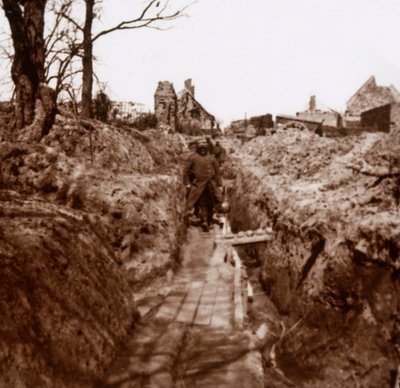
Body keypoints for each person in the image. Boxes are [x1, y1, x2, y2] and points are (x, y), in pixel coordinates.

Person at [183, 139, 222, 231]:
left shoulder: (212, 158)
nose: (202, 151)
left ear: (207, 148)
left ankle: (210, 220)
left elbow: (217, 173)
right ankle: (204, 221)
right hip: (198, 186)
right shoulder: (192, 158)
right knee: (202, 204)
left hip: (211, 185)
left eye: (204, 149)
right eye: (200, 149)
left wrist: (219, 184)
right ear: (197, 149)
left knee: (212, 203)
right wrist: (188, 184)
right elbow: (186, 172)